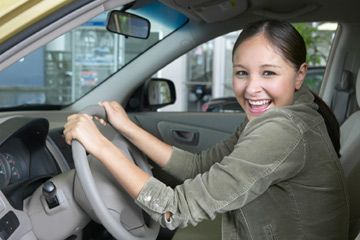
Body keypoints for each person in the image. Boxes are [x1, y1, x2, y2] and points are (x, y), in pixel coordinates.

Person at [64, 20, 349, 239]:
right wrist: (126, 127)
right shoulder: (285, 113)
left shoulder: (283, 130)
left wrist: (101, 148)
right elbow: (198, 166)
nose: (251, 88)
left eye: (269, 73)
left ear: (299, 75)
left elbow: (172, 210)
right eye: (241, 73)